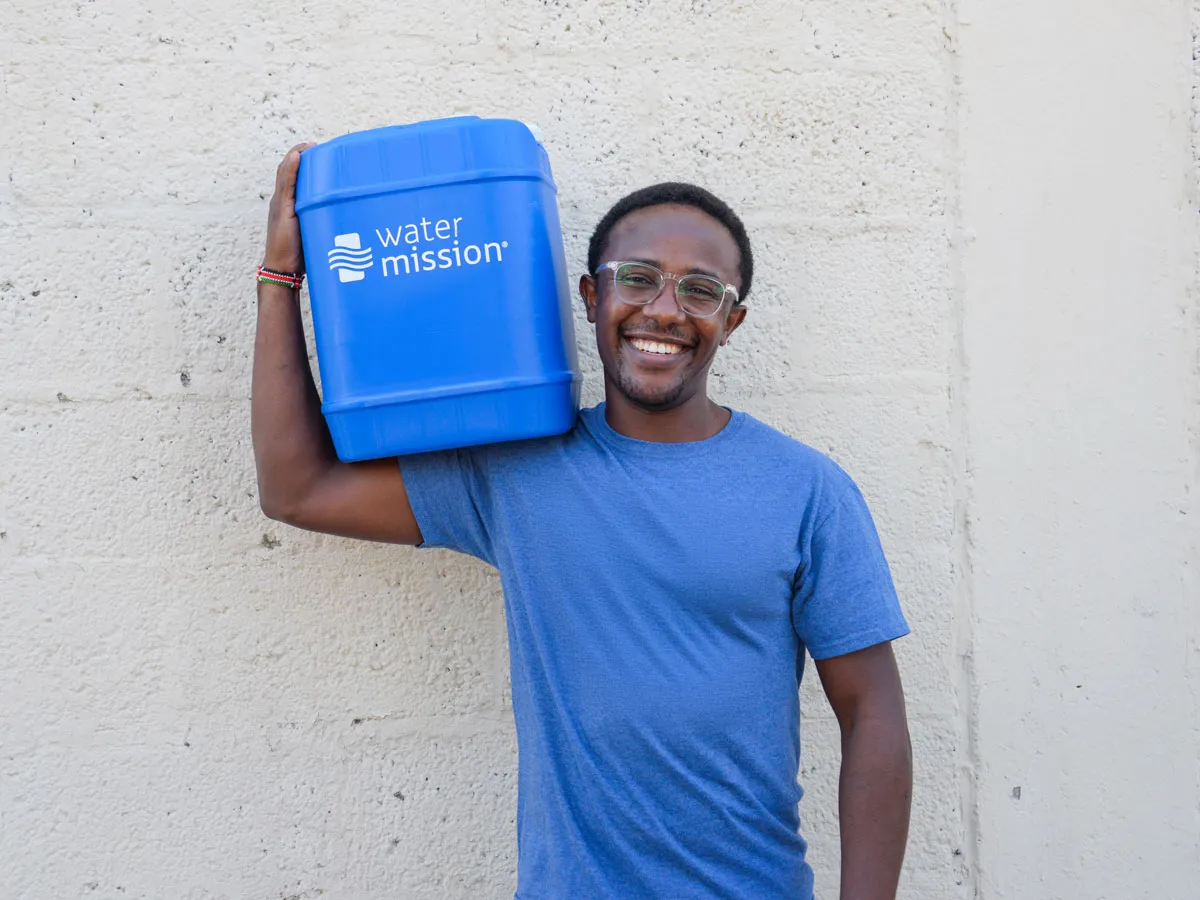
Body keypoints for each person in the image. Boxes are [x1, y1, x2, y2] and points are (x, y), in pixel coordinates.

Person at [253, 141, 913, 900]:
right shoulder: (516, 471)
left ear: (731, 322)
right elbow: (297, 488)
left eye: (702, 290)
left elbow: (872, 713)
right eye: (637, 279)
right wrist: (281, 280)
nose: (664, 309)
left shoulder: (807, 490)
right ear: (590, 298)